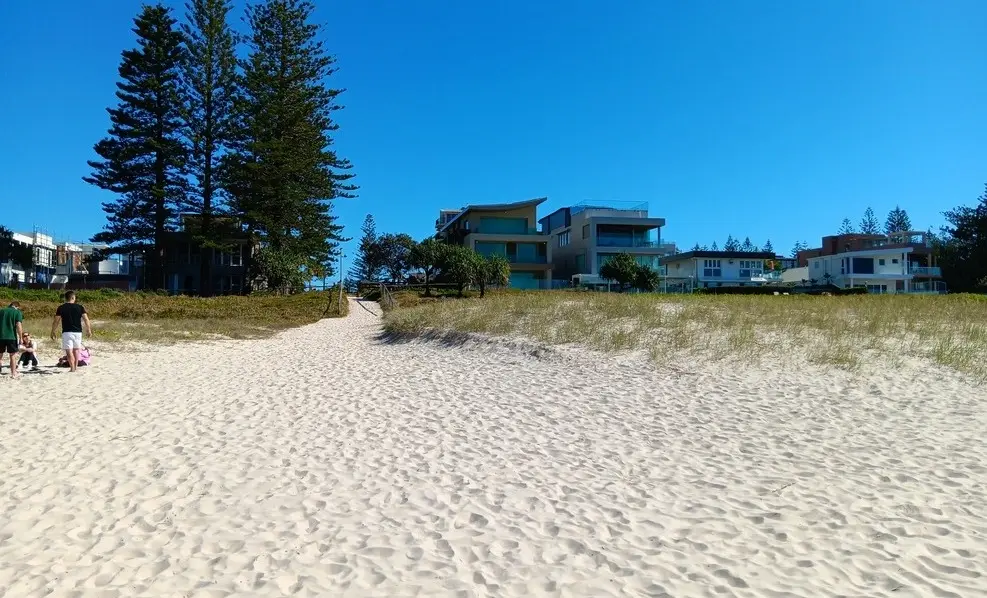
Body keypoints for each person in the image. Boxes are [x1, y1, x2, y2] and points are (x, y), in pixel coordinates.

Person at [50, 291, 92, 373]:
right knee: (76, 350)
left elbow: (56, 321)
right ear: (73, 297)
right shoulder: (80, 307)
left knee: (69, 351)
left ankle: (72, 368)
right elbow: (86, 319)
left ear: (65, 298)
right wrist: (88, 329)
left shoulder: (61, 307)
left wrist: (53, 331)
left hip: (67, 332)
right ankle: (75, 367)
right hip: (78, 332)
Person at [1, 301, 24, 378]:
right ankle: (13, 373)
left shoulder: (1, 311)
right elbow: (18, 325)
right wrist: (21, 337)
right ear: (16, 306)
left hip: (0, 336)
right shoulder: (17, 312)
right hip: (11, 337)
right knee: (12, 355)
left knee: (0, 354)